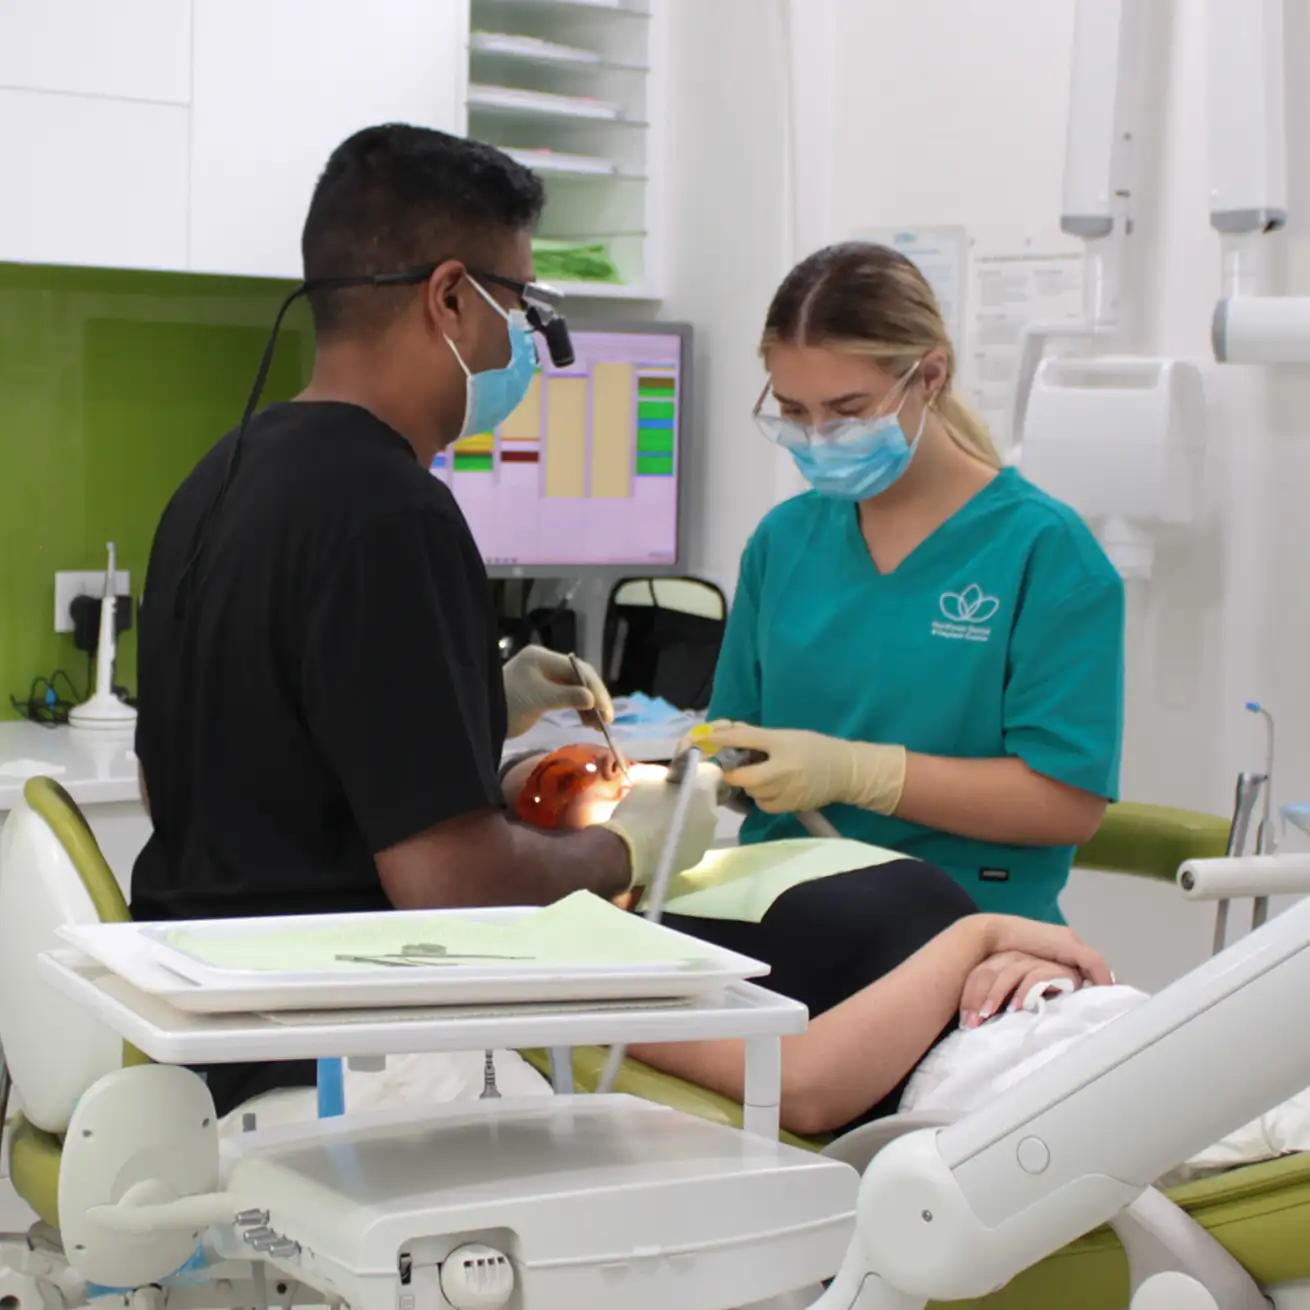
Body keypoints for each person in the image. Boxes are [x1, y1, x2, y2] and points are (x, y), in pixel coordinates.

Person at [130, 124, 718, 1121]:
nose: (522, 343)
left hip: (205, 1036)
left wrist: (467, 706)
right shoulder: (394, 510)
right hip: (347, 1057)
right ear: (450, 296)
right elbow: (450, 882)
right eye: (520, 304)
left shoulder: (217, 477)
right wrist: (629, 848)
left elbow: (199, 763)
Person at [703, 241, 1126, 924]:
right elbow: (734, 744)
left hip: (969, 928)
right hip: (780, 910)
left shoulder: (1044, 552)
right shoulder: (784, 541)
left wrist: (860, 774)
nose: (818, 437)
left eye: (847, 409)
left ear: (930, 375)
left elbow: (1065, 803)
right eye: (794, 410)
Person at [501, 744, 1112, 1137]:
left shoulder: (735, 863)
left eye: (600, 753)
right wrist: (981, 936)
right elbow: (801, 1090)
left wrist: (1014, 957)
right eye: (560, 782)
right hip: (1000, 1093)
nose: (614, 768)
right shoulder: (600, 954)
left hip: (1061, 1014)